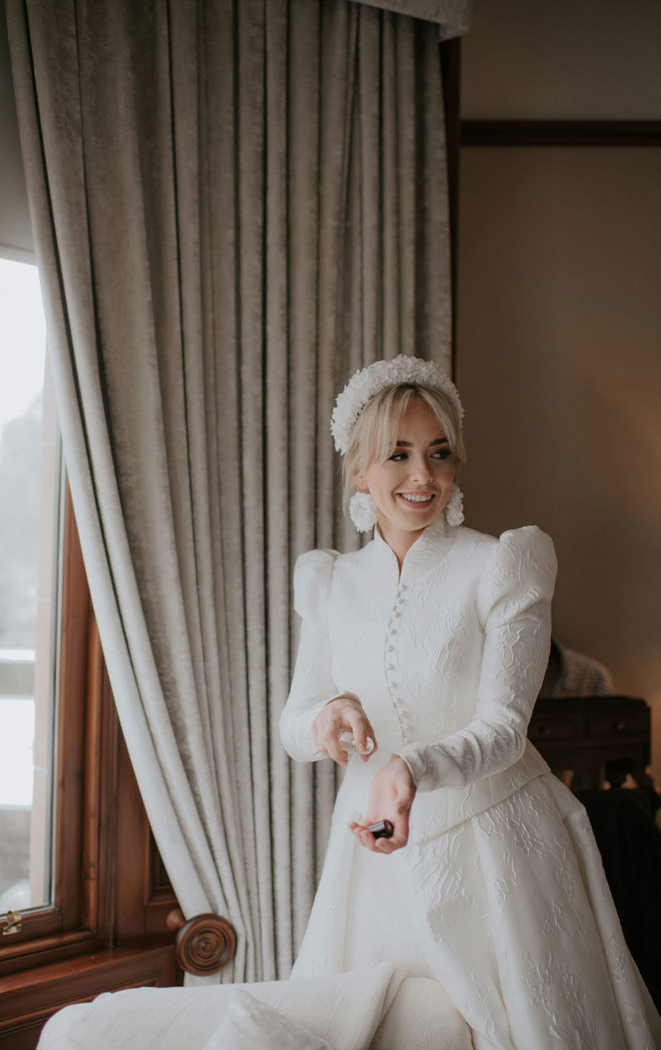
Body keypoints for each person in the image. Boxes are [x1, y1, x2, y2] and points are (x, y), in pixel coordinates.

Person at [280, 355, 661, 1050]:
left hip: (495, 848)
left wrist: (410, 769)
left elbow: (505, 729)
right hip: (371, 855)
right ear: (359, 471)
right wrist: (324, 717)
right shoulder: (332, 582)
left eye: (439, 453)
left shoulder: (502, 563)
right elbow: (295, 720)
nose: (423, 476)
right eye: (398, 455)